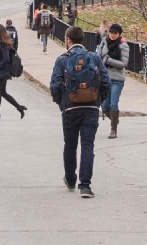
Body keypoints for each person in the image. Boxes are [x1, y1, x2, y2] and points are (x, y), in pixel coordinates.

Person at [49, 26, 110, 198]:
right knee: (87, 145)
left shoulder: (62, 60)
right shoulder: (94, 57)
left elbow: (55, 85)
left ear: (68, 40)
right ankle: (85, 186)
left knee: (70, 145)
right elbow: (106, 82)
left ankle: (70, 179)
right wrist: (98, 100)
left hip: (70, 107)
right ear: (82, 39)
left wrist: (62, 102)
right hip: (91, 107)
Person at [0, 24, 27, 121]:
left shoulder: (3, 43)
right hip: (0, 70)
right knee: (3, 92)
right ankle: (19, 107)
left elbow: (6, 58)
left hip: (2, 71)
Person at [96, 23, 128, 139]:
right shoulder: (103, 42)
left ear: (119, 34)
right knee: (105, 107)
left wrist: (109, 61)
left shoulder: (123, 46)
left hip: (117, 79)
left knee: (113, 103)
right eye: (111, 32)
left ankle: (113, 130)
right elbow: (98, 57)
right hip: (105, 78)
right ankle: (115, 120)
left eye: (115, 33)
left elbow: (124, 64)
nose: (113, 35)